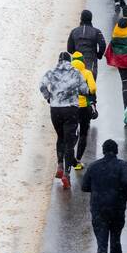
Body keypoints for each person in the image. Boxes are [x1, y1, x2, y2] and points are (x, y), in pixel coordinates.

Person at [82, 142, 127, 253]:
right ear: (116, 151)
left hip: (99, 210)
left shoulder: (94, 166)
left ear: (103, 150)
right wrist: (125, 196)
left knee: (101, 243)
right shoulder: (122, 166)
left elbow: (84, 186)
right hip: (117, 209)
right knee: (116, 240)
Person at [39, 52, 89, 189]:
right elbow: (85, 90)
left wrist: (49, 97)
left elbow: (42, 85)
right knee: (70, 141)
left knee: (60, 137)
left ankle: (60, 165)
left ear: (59, 60)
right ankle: (66, 174)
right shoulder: (75, 72)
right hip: (71, 110)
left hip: (55, 110)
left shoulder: (51, 72)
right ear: (70, 61)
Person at [71, 51, 99, 167]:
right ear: (83, 61)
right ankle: (77, 160)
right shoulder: (87, 73)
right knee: (83, 134)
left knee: (71, 133)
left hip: (71, 107)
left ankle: (69, 157)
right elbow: (93, 88)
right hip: (84, 107)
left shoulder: (69, 73)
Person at [68, 10, 107, 79]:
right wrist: (99, 55)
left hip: (77, 61)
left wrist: (75, 53)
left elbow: (69, 48)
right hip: (91, 60)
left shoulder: (74, 31)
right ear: (91, 19)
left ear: (81, 18)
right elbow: (103, 45)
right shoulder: (96, 31)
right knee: (90, 82)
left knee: (77, 83)